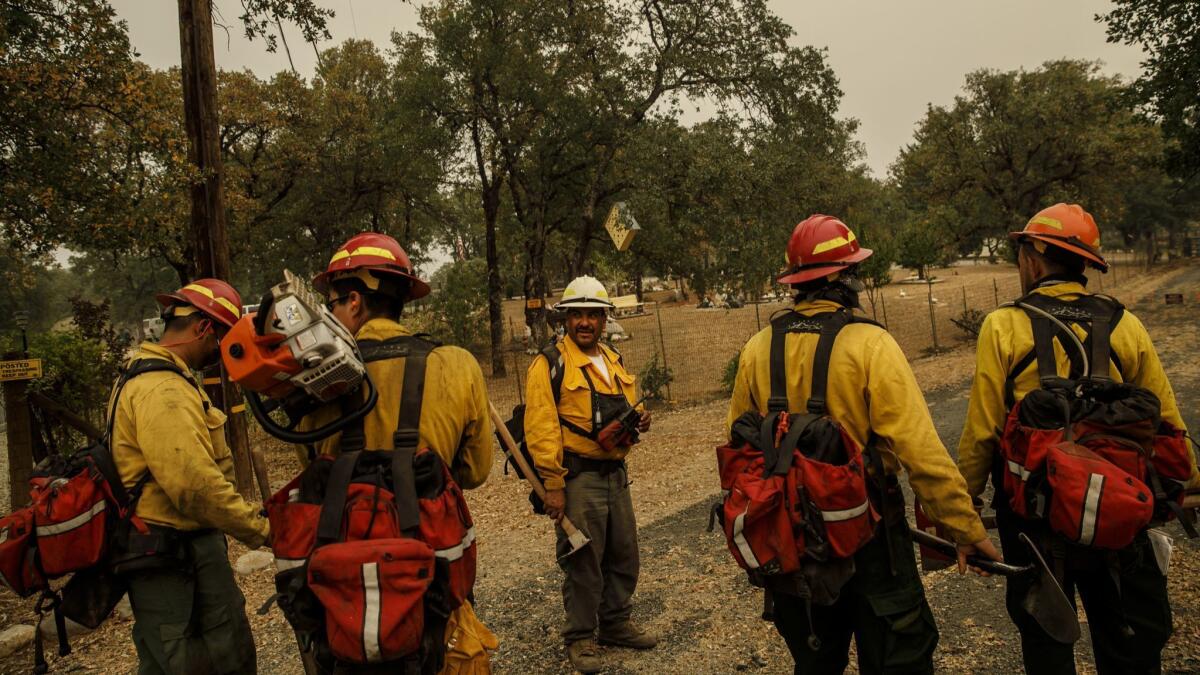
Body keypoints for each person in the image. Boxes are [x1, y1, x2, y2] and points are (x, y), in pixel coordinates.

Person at [727, 215, 999, 675]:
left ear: (798, 281)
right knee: (899, 655)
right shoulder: (871, 345)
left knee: (815, 658)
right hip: (872, 533)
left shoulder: (758, 348)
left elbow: (740, 447)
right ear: (841, 277)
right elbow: (921, 454)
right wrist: (966, 531)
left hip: (794, 536)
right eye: (854, 270)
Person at [957, 203, 1198, 674]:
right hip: (1120, 506)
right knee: (1129, 638)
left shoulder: (1004, 326)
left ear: (1036, 255)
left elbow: (983, 426)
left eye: (1023, 249)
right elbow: (1166, 416)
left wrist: (965, 499)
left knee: (1046, 643)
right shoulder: (1125, 323)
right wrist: (1186, 482)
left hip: (1035, 516)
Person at [304, 232, 497, 672]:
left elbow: (312, 467)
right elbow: (476, 470)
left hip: (345, 583)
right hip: (429, 569)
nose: (330, 314)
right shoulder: (456, 364)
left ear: (354, 302)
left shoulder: (316, 385)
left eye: (333, 303)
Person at [109, 279, 269, 675]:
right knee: (203, 659)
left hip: (171, 551)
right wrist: (262, 530)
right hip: (175, 555)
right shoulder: (163, 390)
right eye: (222, 339)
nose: (221, 353)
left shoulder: (144, 376)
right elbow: (195, 487)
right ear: (202, 329)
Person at [523, 275, 655, 674]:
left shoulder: (612, 359)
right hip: (578, 478)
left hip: (616, 472)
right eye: (576, 314)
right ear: (564, 319)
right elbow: (541, 429)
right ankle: (580, 637)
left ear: (603, 319)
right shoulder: (549, 364)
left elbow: (624, 406)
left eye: (592, 315)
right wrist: (553, 485)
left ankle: (615, 623)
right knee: (582, 558)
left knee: (623, 550)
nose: (585, 322)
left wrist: (639, 419)